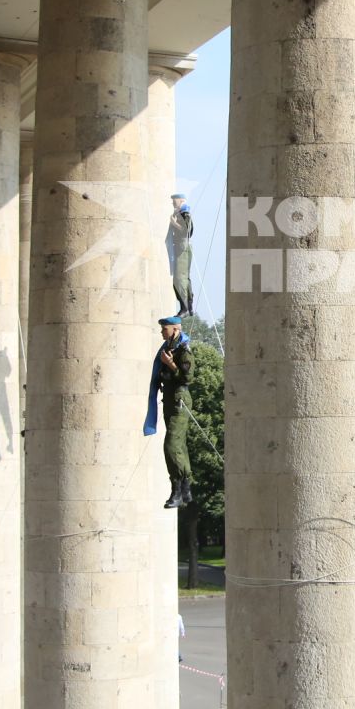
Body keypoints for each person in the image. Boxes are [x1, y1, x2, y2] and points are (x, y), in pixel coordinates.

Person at [144, 316, 193, 508]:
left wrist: (171, 364)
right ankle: (185, 489)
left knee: (171, 446)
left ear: (175, 329)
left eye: (164, 329)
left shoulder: (183, 350)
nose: (162, 332)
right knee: (178, 446)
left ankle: (178, 488)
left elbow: (187, 378)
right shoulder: (167, 349)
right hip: (170, 401)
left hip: (180, 401)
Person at [166, 193, 195, 318]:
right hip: (180, 248)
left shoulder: (185, 213)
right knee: (182, 278)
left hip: (183, 249)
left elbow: (186, 230)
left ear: (182, 200)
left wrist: (174, 223)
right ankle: (188, 307)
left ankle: (185, 308)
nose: (173, 202)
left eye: (175, 200)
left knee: (180, 278)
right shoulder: (180, 213)